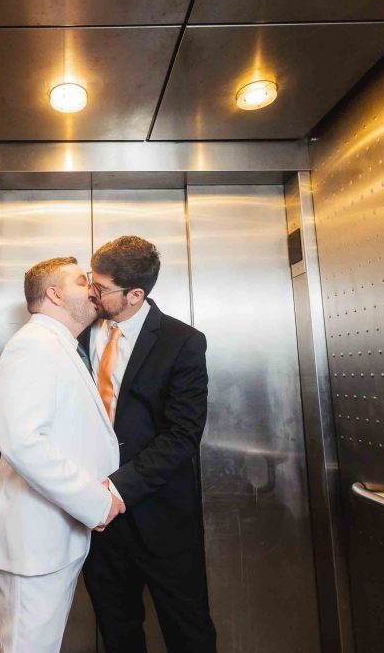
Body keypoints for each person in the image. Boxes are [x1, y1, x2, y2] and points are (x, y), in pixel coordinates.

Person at [0, 256, 126, 653]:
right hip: (34, 541)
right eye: (82, 282)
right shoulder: (33, 346)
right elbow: (23, 442)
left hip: (55, 536)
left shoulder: (62, 346)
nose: (94, 289)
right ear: (55, 293)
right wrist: (97, 502)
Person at [81, 236, 217, 652]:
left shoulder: (183, 342)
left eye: (101, 287)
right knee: (117, 631)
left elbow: (182, 436)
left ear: (135, 294)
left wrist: (119, 488)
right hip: (96, 517)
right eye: (91, 279)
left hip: (162, 516)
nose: (91, 291)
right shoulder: (78, 333)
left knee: (188, 630)